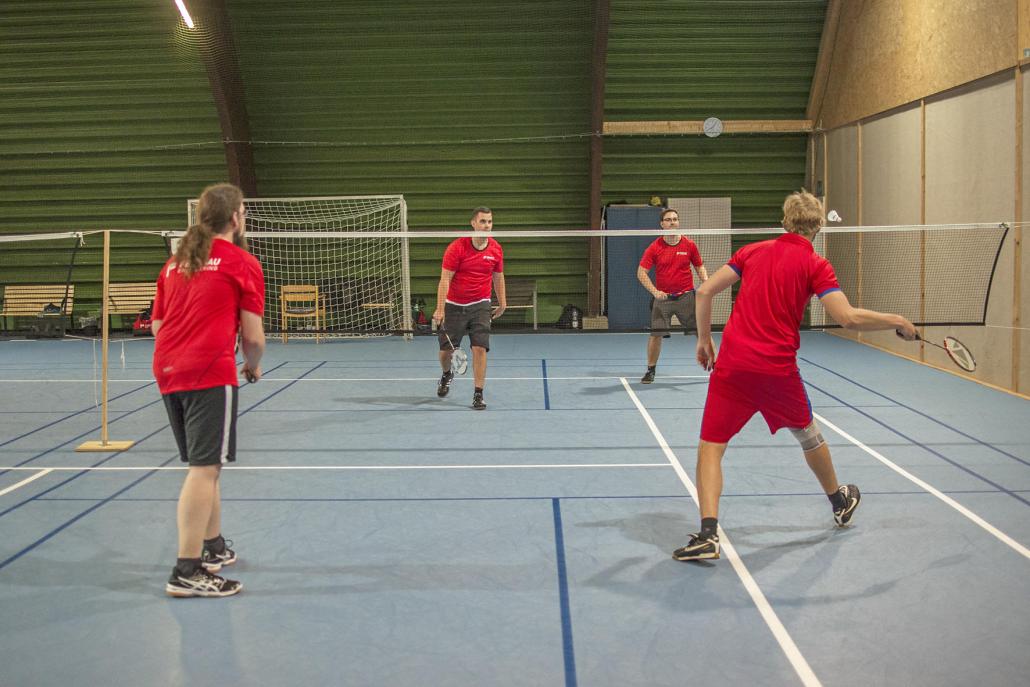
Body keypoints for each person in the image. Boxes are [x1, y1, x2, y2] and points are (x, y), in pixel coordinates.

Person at [673, 190, 916, 561]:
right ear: (818, 226)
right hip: (777, 371)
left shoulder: (751, 252)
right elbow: (847, 317)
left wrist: (705, 341)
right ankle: (838, 501)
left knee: (711, 447)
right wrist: (896, 320)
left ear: (784, 221)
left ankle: (708, 534)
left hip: (734, 365)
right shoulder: (817, 265)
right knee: (807, 433)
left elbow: (704, 290)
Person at [153, 183, 266, 596]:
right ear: (236, 218)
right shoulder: (241, 262)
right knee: (203, 469)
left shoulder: (174, 262)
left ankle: (213, 547)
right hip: (208, 373)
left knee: (206, 465)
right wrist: (252, 368)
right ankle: (187, 570)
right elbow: (253, 338)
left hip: (167, 369)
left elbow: (158, 325)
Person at [432, 206, 506, 410]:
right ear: (473, 223)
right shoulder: (457, 247)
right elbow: (445, 279)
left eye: (490, 221)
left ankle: (478, 394)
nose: (487, 225)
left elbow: (498, 277)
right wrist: (440, 308)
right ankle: (447, 373)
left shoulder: (496, 249)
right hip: (454, 305)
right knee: (446, 351)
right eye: (483, 221)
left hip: (481, 304)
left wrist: (503, 301)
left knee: (480, 348)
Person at [637, 208, 708, 383]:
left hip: (686, 297)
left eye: (675, 219)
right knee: (656, 334)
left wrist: (706, 283)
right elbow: (641, 272)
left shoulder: (689, 244)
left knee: (702, 332)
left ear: (679, 222)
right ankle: (651, 370)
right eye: (668, 220)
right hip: (663, 300)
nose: (672, 222)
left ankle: (718, 366)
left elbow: (699, 266)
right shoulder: (654, 247)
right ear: (662, 224)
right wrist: (655, 292)